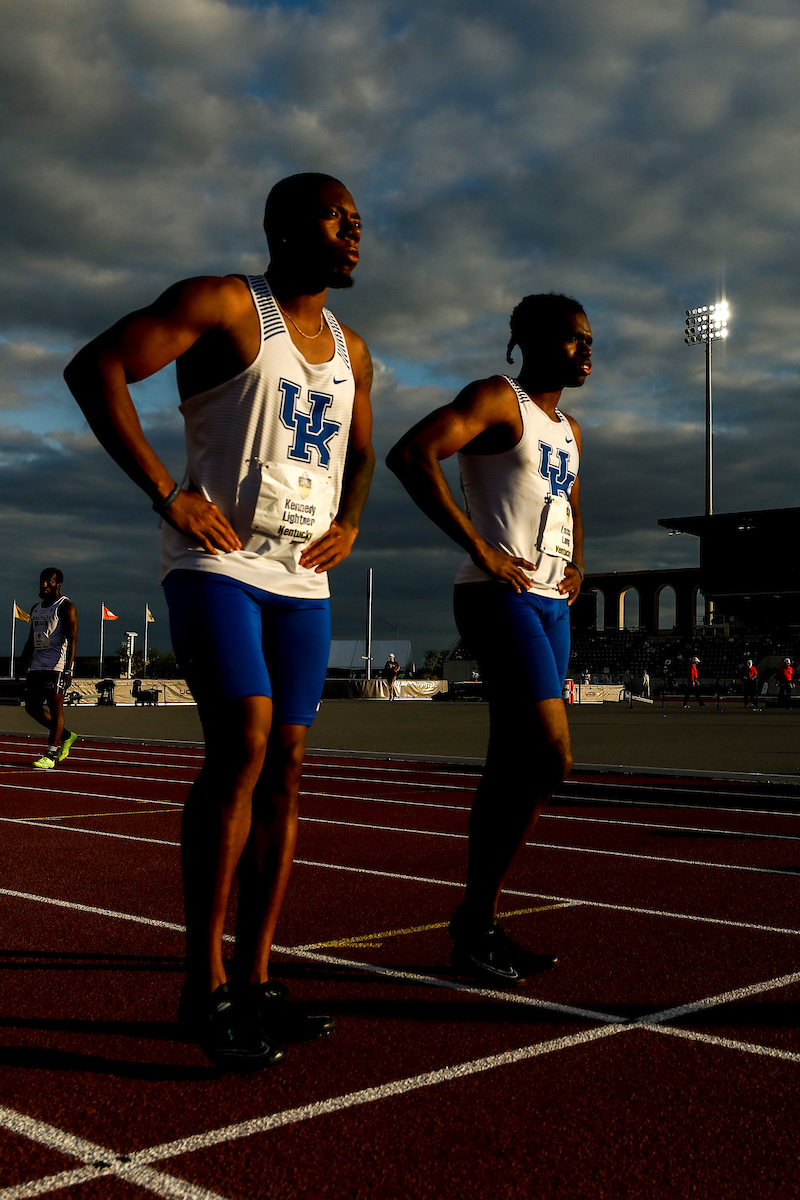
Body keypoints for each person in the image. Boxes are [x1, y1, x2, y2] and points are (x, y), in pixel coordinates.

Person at [64, 172, 375, 1069]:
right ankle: (200, 985)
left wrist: (350, 523)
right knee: (243, 736)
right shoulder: (226, 303)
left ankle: (256, 978)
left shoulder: (353, 350)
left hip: (300, 578)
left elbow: (359, 452)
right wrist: (168, 493)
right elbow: (97, 368)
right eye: (335, 215)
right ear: (283, 227)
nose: (354, 229)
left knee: (287, 763)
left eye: (360, 220)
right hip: (215, 562)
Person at [387, 292, 589, 987]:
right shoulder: (498, 401)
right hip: (495, 594)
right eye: (571, 339)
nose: (586, 351)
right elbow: (412, 455)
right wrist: (480, 545)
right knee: (550, 755)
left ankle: (476, 925)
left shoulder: (569, 430)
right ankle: (474, 920)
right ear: (529, 342)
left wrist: (578, 561)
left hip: (550, 603)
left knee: (515, 765)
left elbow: (567, 499)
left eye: (589, 340)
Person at [19, 568, 79, 769]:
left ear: (58, 584)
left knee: (55, 708)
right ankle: (66, 736)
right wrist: (23, 660)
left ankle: (50, 755)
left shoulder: (65, 607)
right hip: (37, 666)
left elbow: (72, 639)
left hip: (56, 666)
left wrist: (69, 669)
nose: (44, 585)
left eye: (49, 582)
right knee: (32, 707)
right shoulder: (36, 608)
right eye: (42, 581)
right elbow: (31, 638)